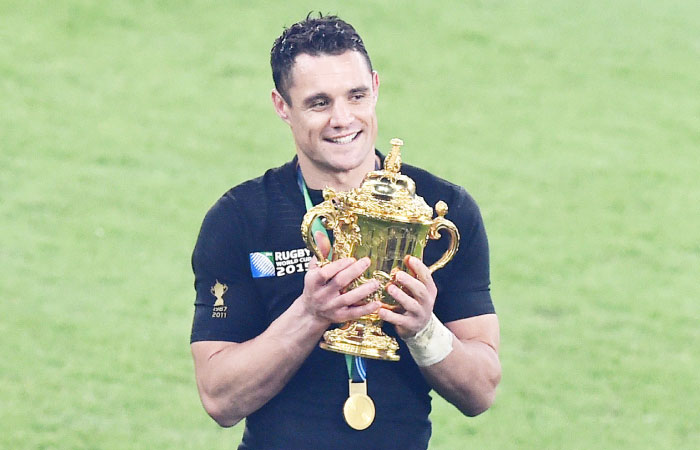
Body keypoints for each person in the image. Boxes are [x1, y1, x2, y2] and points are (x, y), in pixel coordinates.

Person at [190, 13, 501, 449]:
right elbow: (219, 397)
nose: (343, 118)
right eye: (319, 102)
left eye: (356, 96)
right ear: (283, 106)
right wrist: (311, 314)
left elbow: (481, 390)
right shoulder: (239, 219)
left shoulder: (438, 210)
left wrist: (423, 329)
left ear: (375, 86)